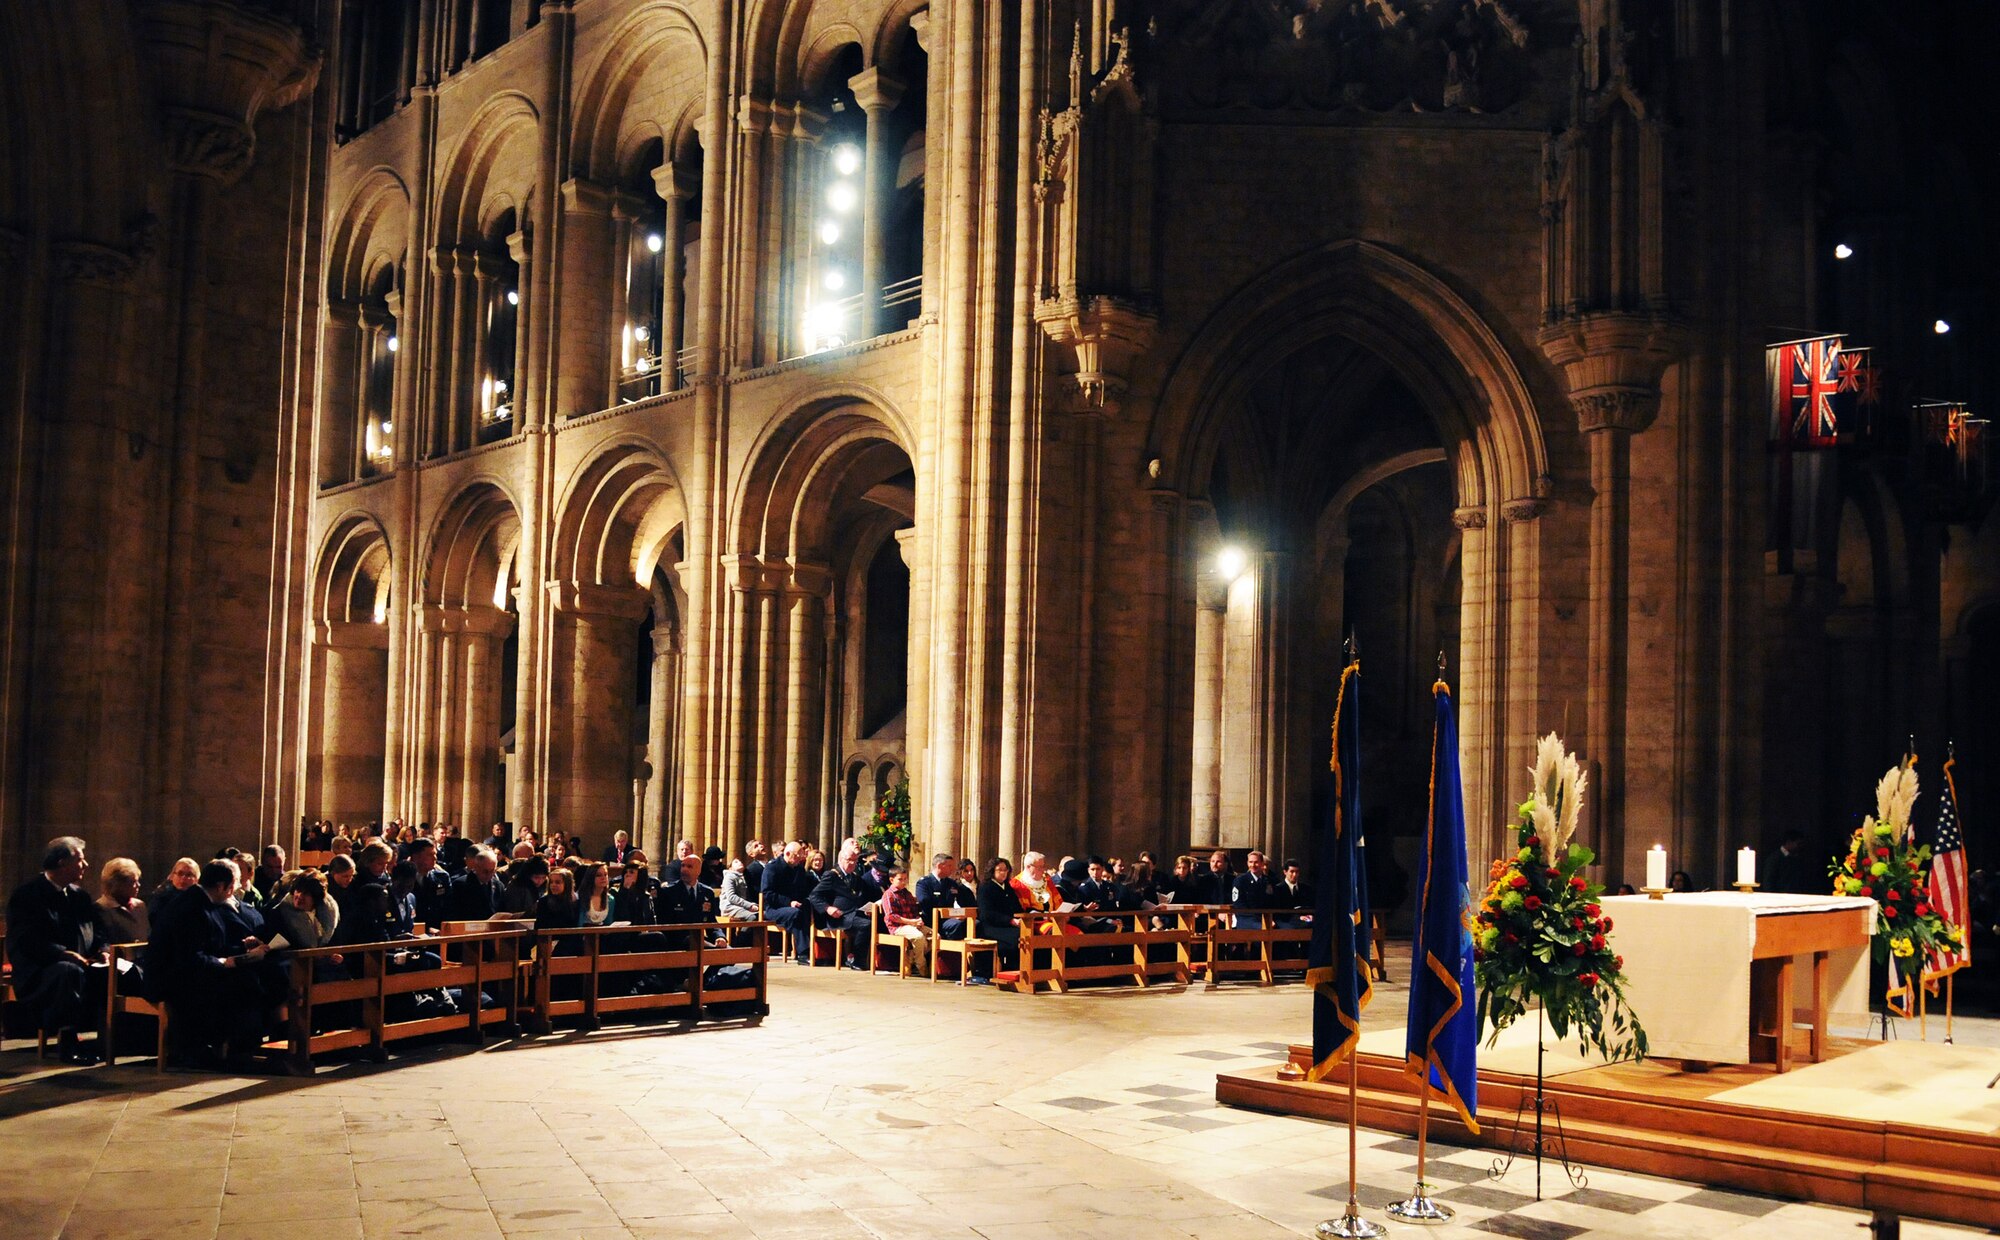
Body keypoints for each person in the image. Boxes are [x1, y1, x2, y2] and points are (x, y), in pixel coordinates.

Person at [144, 860, 283, 1070]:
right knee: (244, 983)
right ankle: (231, 1050)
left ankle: (241, 1047)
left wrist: (241, 948)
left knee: (259, 976)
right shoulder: (191, 908)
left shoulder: (205, 902)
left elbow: (211, 944)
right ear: (220, 887)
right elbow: (190, 959)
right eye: (231, 887)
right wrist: (231, 962)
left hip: (192, 969)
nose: (232, 892)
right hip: (171, 978)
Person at [6, 837, 99, 1062]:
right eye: (80, 860)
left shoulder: (79, 896)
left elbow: (98, 931)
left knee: (109, 972)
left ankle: (109, 1040)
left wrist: (103, 950)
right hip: (39, 970)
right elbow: (26, 940)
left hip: (79, 963)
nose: (85, 865)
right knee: (69, 973)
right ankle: (68, 1045)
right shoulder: (27, 895)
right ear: (61, 863)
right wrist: (61, 953)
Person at [809, 841, 881, 970]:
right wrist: (827, 908)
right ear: (841, 859)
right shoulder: (831, 875)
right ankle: (858, 961)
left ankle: (866, 959)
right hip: (838, 917)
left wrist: (867, 908)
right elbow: (814, 896)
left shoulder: (856, 877)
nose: (852, 863)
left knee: (875, 921)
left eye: (854, 860)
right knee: (866, 925)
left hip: (854, 913)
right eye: (849, 860)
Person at [759, 842, 814, 964]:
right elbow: (767, 893)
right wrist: (789, 902)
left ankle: (819, 951)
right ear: (788, 854)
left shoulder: (798, 869)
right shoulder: (772, 867)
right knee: (796, 914)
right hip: (774, 909)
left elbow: (802, 890)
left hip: (795, 906)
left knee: (808, 909)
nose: (799, 860)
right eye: (797, 857)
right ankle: (803, 954)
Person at [880, 867, 931, 975]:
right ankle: (921, 964)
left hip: (912, 924)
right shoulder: (889, 895)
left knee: (935, 936)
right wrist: (911, 922)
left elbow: (914, 910)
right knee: (918, 937)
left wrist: (918, 920)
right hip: (898, 927)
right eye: (900, 879)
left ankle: (911, 957)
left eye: (905, 879)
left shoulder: (907, 894)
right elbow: (892, 916)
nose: (904, 882)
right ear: (891, 880)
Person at [977, 858, 1022, 972]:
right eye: (999, 870)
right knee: (1018, 937)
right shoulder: (985, 887)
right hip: (991, 927)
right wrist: (1010, 920)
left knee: (1029, 934)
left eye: (1005, 870)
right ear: (992, 871)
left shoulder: (1007, 887)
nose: (1003, 873)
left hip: (1008, 925)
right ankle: (1012, 970)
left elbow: (1016, 907)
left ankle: (1025, 970)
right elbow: (986, 913)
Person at [95, 857, 150, 946]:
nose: (138, 885)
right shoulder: (101, 908)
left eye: (138, 881)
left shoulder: (140, 906)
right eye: (133, 882)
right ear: (117, 884)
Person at [915, 853, 969, 940]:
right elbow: (925, 902)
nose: (953, 869)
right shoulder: (924, 883)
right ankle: (952, 952)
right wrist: (950, 914)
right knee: (956, 924)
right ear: (939, 866)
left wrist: (961, 913)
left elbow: (962, 900)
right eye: (950, 866)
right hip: (933, 920)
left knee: (974, 923)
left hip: (950, 918)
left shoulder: (951, 883)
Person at [1232, 850, 1276, 929]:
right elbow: (1239, 905)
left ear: (1262, 863)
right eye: (1250, 862)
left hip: (1265, 917)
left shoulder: (1269, 881)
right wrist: (1260, 919)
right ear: (1247, 863)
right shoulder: (1240, 880)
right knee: (1263, 928)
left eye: (1256, 862)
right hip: (1246, 918)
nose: (1253, 865)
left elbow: (1272, 902)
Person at [1763, 829, 1815, 894]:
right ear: (1789, 842)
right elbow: (1768, 882)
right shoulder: (1774, 859)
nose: (1800, 847)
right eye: (1798, 844)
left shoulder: (1799, 858)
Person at [148, 856, 200, 921]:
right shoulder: (161, 897)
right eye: (180, 873)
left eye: (189, 874)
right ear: (172, 876)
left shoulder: (200, 899)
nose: (183, 877)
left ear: (197, 880)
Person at [719, 857, 759, 922]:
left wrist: (753, 904)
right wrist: (749, 906)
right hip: (730, 908)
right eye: (736, 862)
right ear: (730, 868)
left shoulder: (743, 878)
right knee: (752, 917)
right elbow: (731, 897)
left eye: (740, 861)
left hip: (741, 907)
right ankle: (742, 932)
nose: (740, 863)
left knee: (762, 915)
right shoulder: (729, 877)